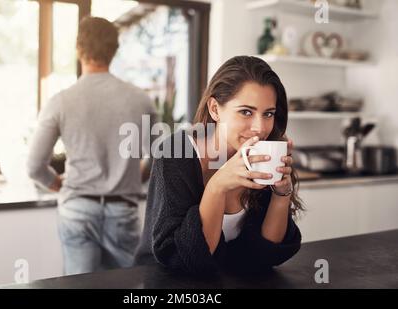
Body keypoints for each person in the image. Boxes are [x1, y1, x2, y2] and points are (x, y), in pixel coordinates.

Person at [135, 56, 303, 275]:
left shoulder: (263, 153)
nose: (260, 128)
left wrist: (281, 194)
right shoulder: (175, 154)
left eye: (268, 114)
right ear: (215, 108)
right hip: (165, 283)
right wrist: (217, 186)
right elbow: (184, 259)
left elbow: (266, 253)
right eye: (246, 112)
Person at [27, 16, 156, 275]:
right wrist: (135, 174)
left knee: (80, 286)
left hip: (77, 209)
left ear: (78, 49)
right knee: (128, 286)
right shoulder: (141, 101)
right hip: (123, 209)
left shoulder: (60, 102)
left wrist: (59, 184)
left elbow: (34, 167)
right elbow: (157, 158)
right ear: (114, 50)